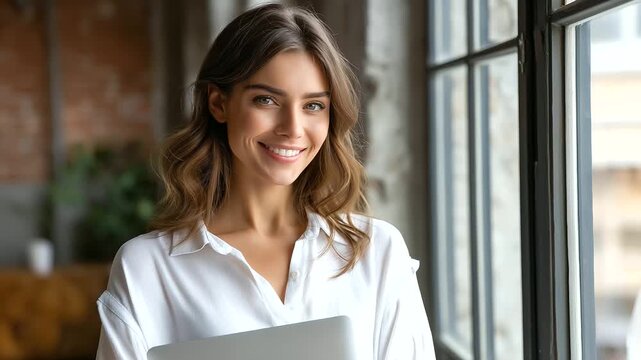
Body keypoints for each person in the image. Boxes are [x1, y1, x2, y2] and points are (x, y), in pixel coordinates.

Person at [96, 3, 435, 359]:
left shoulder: (376, 252)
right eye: (267, 100)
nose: (292, 128)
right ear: (218, 103)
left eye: (313, 106)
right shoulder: (148, 267)